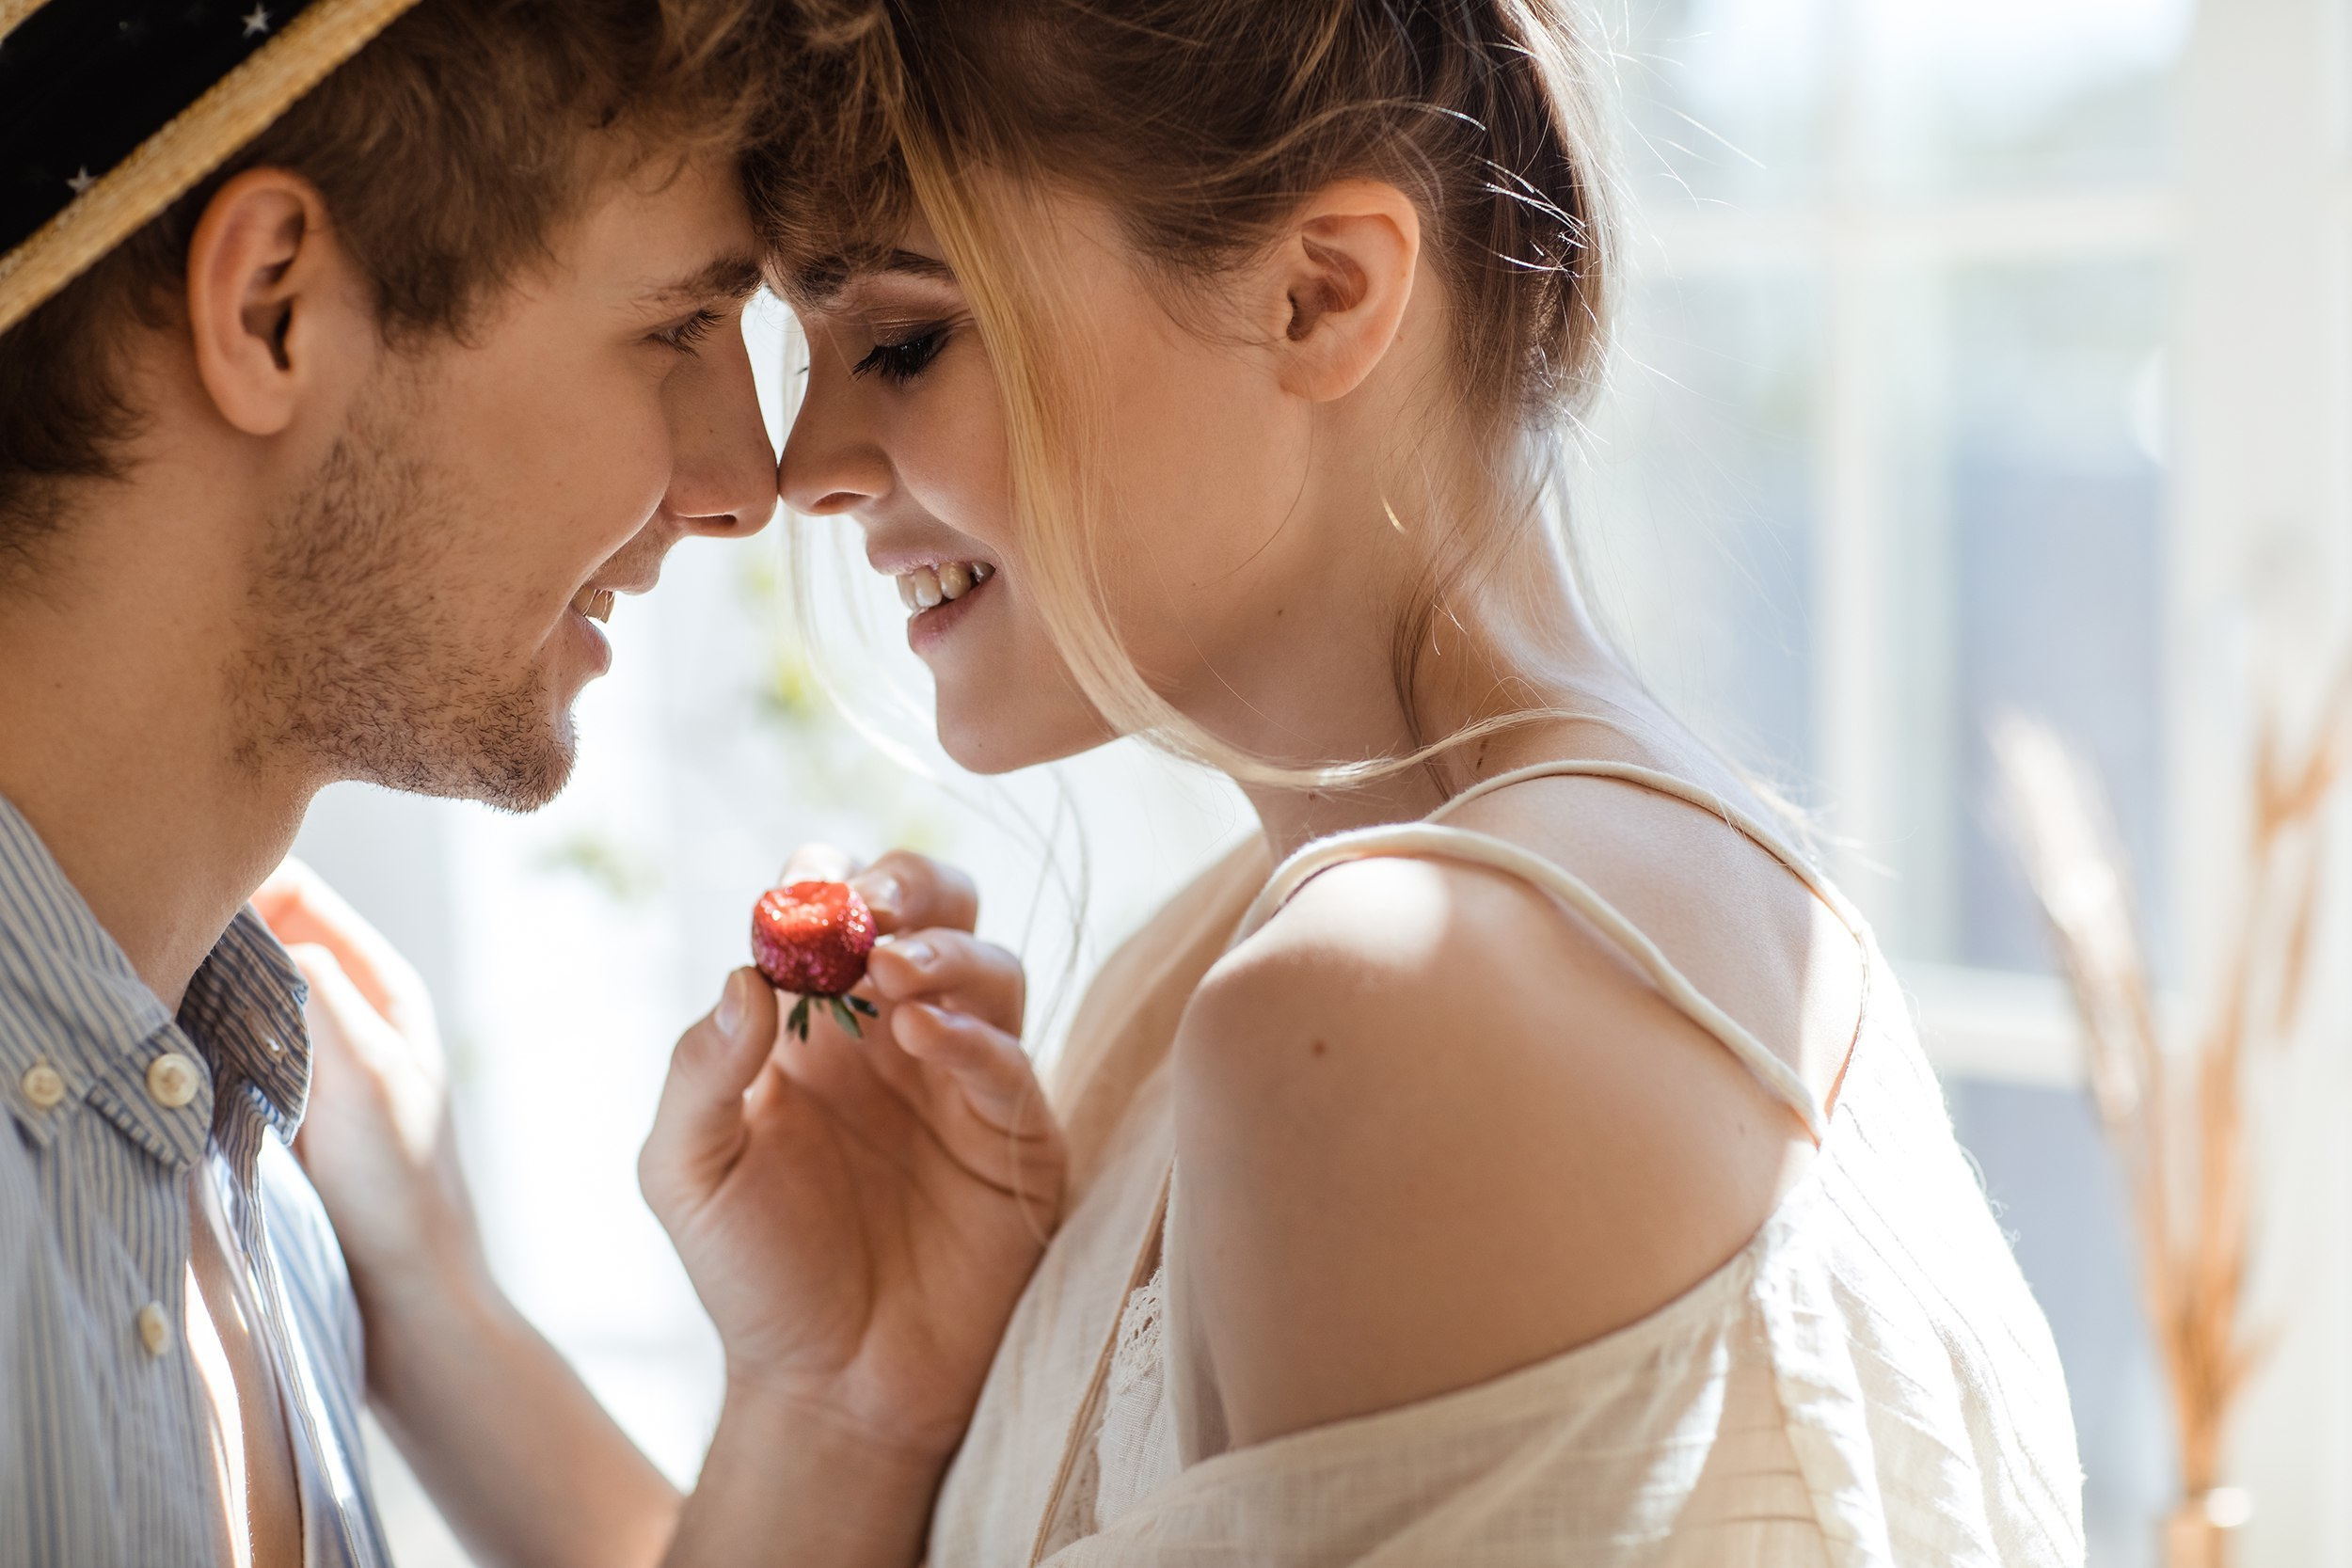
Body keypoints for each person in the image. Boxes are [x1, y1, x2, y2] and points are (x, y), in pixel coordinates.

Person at [622, 0, 2086, 1561]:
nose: (804, 469)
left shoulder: (1400, 1007)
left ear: (1319, 296)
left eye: (904, 340)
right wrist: (843, 1409)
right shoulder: (1229, 970)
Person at [0, 4, 1031, 1565]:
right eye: (681, 329)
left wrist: (830, 1409)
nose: (748, 486)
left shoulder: (258, 1163)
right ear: (272, 307)